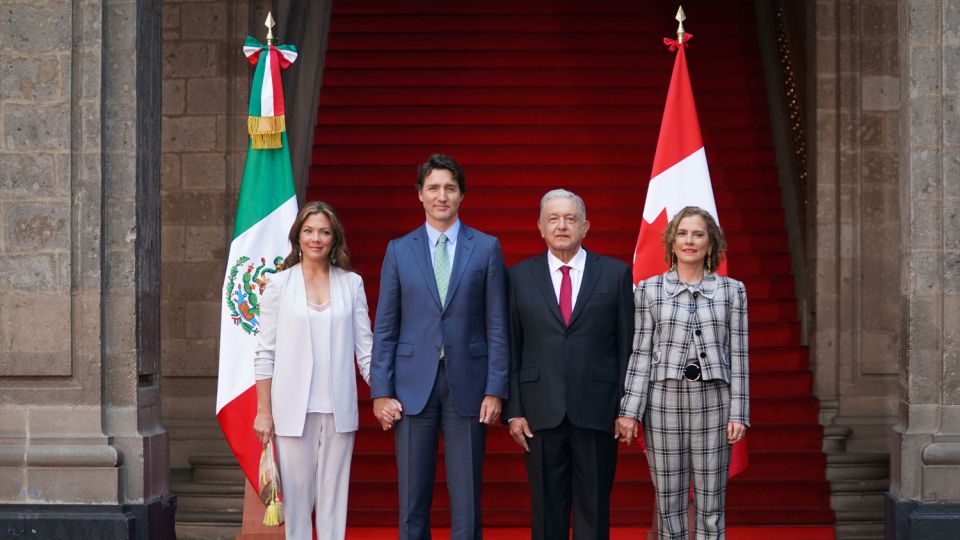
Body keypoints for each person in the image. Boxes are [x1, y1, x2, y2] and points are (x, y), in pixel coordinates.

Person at [370, 153, 509, 539]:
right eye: (433, 188)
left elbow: (497, 324)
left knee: (467, 499)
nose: (441, 196)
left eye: (450, 188)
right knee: (412, 498)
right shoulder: (399, 250)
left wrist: (496, 388)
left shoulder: (486, 248)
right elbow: (385, 327)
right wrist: (381, 391)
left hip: (469, 383)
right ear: (420, 195)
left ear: (462, 195)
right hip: (412, 386)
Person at [504, 189, 634, 539]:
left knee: (594, 508)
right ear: (540, 227)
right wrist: (513, 410)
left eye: (570, 219)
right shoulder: (517, 277)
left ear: (585, 226)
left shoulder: (615, 274)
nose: (562, 226)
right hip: (538, 411)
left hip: (599, 409)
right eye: (553, 219)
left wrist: (627, 408)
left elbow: (627, 346)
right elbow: (510, 348)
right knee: (547, 512)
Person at [616, 206, 749, 540]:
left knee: (711, 504)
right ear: (671, 241)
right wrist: (629, 412)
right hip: (663, 403)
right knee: (668, 502)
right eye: (683, 233)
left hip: (715, 402)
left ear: (711, 243)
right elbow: (641, 352)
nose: (690, 241)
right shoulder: (649, 290)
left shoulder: (732, 291)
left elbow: (739, 355)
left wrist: (739, 412)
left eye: (698, 234)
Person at [252, 201, 373, 540]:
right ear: (298, 237)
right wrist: (264, 412)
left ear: (335, 238)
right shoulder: (278, 284)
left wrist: (386, 391)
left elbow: (367, 352)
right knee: (298, 505)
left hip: (339, 410)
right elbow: (265, 353)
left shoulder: (352, 284)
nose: (316, 238)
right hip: (292, 411)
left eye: (323, 232)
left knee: (335, 501)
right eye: (309, 231)